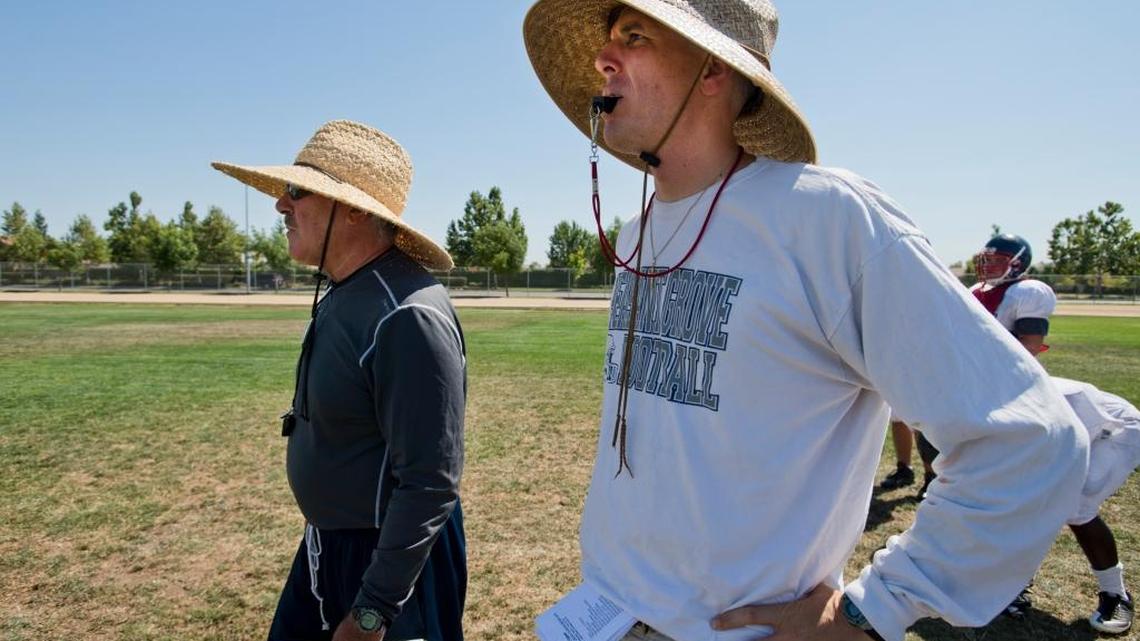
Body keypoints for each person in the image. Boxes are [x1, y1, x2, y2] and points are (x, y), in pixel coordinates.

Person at [523, 2, 1087, 640]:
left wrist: (874, 611)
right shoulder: (638, 232)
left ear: (712, 68)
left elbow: (1029, 437)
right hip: (607, 610)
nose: (604, 58)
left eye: (634, 35)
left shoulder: (827, 218)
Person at [212, 120, 467, 641]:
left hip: (385, 567)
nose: (282, 205)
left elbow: (429, 482)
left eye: (298, 191)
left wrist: (373, 609)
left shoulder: (406, 314)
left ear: (353, 209)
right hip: (328, 546)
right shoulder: (350, 291)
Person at [903, 233, 1057, 502]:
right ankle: (933, 478)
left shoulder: (1029, 291)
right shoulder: (976, 290)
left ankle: (991, 487)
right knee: (929, 423)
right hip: (967, 373)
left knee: (990, 441)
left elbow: (1030, 344)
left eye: (998, 260)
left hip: (1004, 380)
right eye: (986, 259)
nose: (988, 265)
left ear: (1019, 263)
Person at [1052, 376, 1138, 634]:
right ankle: (1013, 586)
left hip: (1114, 429)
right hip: (1074, 429)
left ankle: (1116, 595)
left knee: (1077, 508)